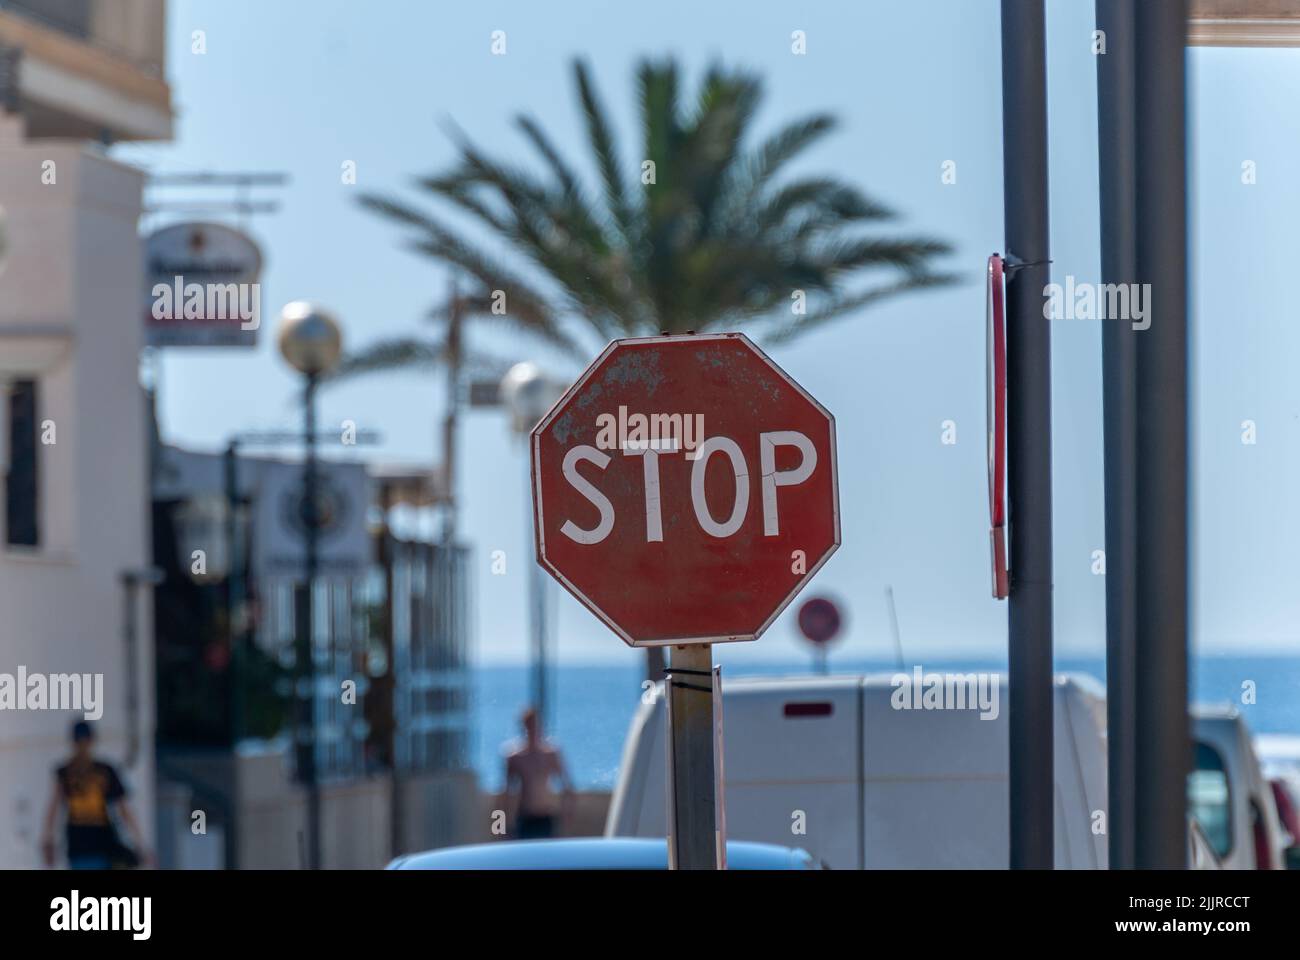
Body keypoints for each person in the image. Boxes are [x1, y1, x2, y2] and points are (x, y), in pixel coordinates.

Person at [41, 721, 150, 869]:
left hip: (99, 846)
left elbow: (124, 810)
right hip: (84, 846)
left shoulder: (96, 771)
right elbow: (53, 808)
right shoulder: (81, 772)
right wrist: (48, 840)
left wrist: (139, 842)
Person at [502, 707, 573, 840]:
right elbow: (504, 795)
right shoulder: (514, 756)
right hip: (524, 818)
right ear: (523, 727)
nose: (532, 729)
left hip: (546, 818)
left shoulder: (551, 754)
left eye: (535, 724)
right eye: (528, 725)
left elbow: (567, 788)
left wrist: (565, 823)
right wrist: (499, 829)